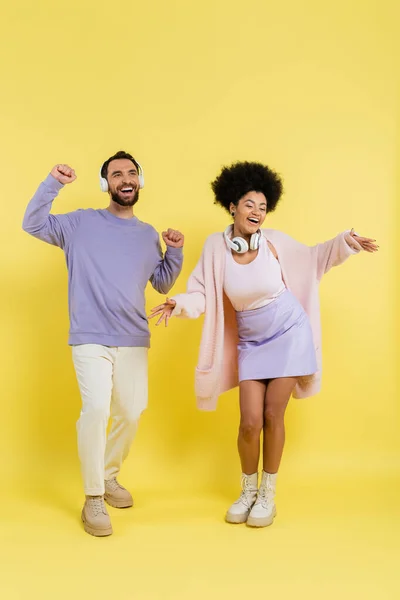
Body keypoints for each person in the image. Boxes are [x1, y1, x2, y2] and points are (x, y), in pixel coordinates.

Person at [150, 161, 377, 528]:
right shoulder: (215, 247)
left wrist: (345, 242)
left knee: (273, 414)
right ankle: (247, 490)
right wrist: (179, 303)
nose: (257, 212)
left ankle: (267, 495)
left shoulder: (275, 243)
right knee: (249, 422)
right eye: (249, 204)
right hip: (252, 342)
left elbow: (316, 258)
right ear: (232, 207)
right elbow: (200, 292)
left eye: (262, 206)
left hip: (289, 333)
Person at [23, 151, 184, 537]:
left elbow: (161, 282)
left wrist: (174, 251)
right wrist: (54, 183)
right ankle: (93, 496)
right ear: (105, 184)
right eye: (116, 174)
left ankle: (109, 475)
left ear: (139, 182)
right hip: (90, 337)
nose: (124, 179)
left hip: (132, 337)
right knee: (96, 408)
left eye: (131, 173)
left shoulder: (147, 234)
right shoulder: (79, 223)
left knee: (131, 411)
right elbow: (32, 224)